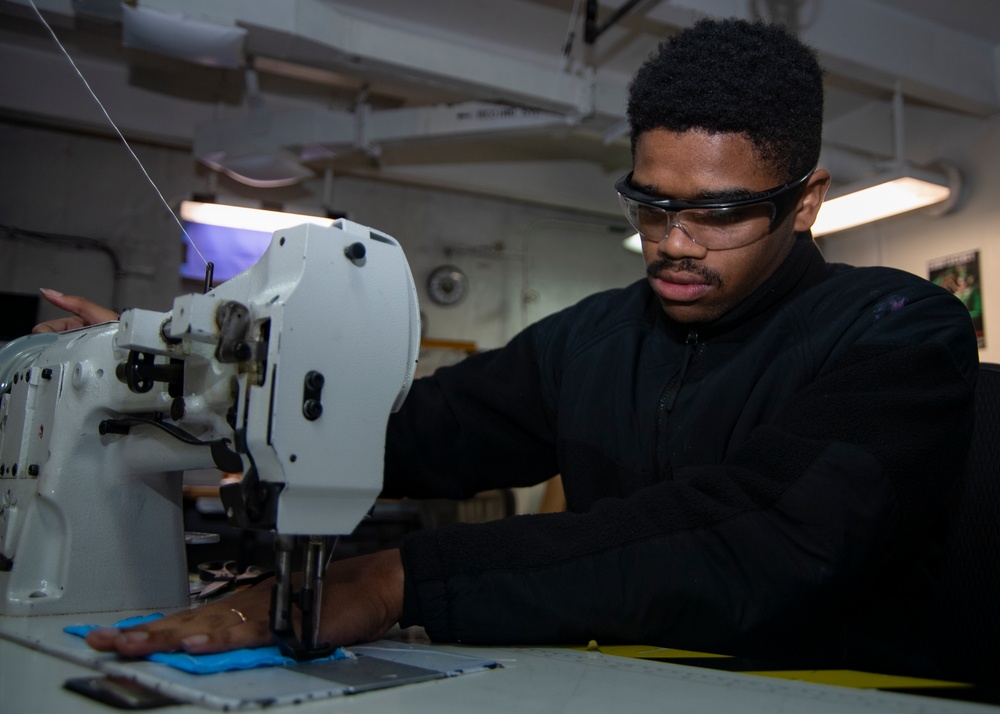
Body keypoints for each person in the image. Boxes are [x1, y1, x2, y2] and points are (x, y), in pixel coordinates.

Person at [40, 19, 978, 679]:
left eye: (718, 211)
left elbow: (756, 537)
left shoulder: (899, 332)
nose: (675, 241)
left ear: (804, 202)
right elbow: (413, 429)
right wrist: (175, 378)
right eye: (651, 204)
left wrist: (398, 578)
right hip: (637, 684)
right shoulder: (596, 339)